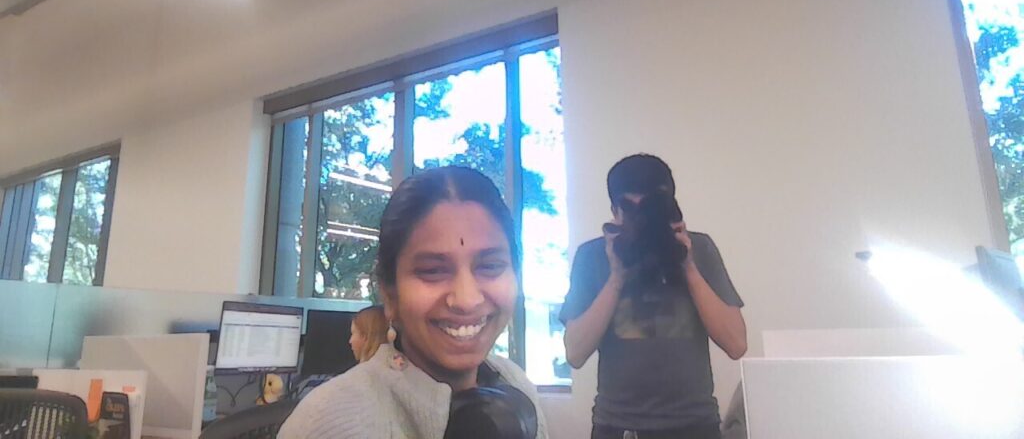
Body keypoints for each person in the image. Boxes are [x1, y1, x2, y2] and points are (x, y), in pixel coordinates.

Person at [279, 166, 548, 439]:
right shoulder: (328, 423)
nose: (466, 300)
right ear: (389, 293)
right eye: (432, 271)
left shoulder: (516, 385)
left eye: (490, 266)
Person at [561, 154, 746, 439]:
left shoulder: (700, 248)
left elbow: (736, 344)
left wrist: (688, 266)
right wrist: (616, 277)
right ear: (614, 211)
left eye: (651, 208)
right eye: (630, 209)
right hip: (620, 427)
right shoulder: (593, 256)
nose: (642, 220)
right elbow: (575, 352)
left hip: (695, 425)